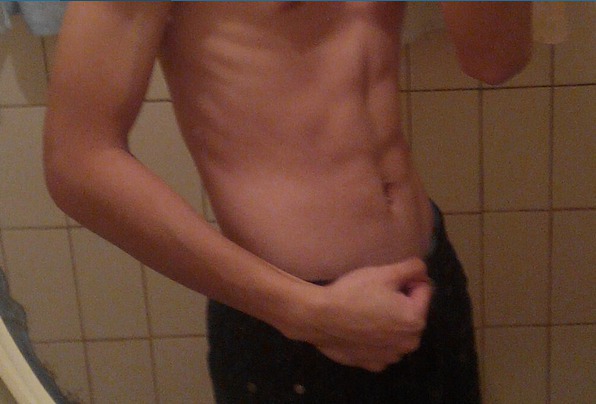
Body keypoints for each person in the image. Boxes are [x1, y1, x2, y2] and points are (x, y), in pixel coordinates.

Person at [43, 2, 532, 403]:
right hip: (292, 323)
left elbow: (495, 60)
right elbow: (77, 161)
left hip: (426, 282)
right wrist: (307, 312)